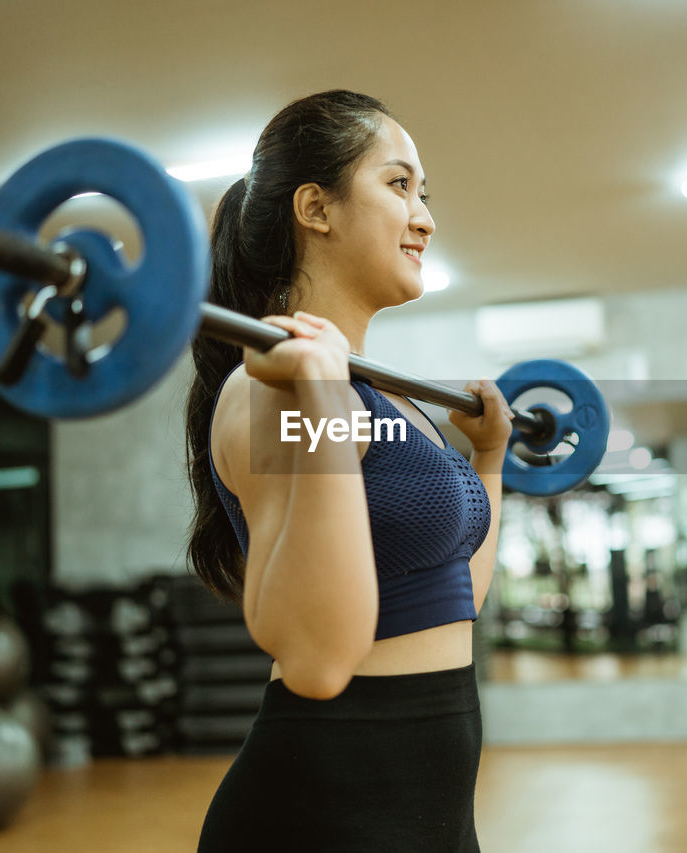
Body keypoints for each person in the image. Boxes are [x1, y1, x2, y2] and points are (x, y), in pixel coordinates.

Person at [184, 90, 513, 852]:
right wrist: (326, 400)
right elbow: (318, 658)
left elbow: (455, 594)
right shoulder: (269, 394)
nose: (424, 218)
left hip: (431, 809)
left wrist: (489, 461)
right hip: (325, 812)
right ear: (316, 207)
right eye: (399, 186)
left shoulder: (380, 396)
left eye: (422, 194)